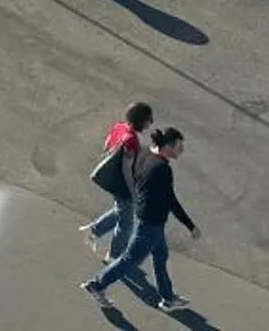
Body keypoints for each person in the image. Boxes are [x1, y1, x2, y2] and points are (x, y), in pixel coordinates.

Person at [84, 127, 195, 312]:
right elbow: (172, 201)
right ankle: (97, 285)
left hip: (151, 221)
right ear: (168, 146)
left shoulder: (145, 154)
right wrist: (190, 226)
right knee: (128, 260)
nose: (181, 151)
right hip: (150, 224)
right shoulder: (162, 169)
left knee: (161, 256)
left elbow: (135, 176)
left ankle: (168, 298)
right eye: (179, 147)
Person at [81, 101, 154, 261]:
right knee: (126, 224)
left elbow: (108, 144)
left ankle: (93, 231)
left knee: (121, 211)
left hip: (116, 183)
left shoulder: (120, 127)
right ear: (142, 121)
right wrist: (133, 192)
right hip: (124, 186)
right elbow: (127, 169)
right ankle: (114, 257)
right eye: (149, 119)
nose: (151, 122)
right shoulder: (131, 141)